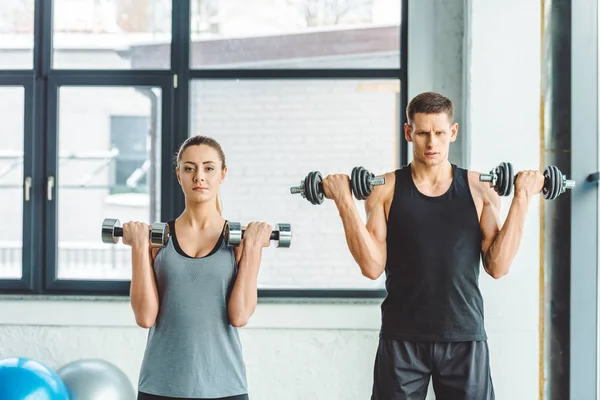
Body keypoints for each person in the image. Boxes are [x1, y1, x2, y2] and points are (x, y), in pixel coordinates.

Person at [321, 91, 544, 400]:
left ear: (452, 132)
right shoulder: (384, 190)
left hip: (464, 335)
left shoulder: (480, 188)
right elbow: (372, 267)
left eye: (439, 133)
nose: (431, 143)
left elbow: (498, 266)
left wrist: (521, 198)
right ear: (408, 132)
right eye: (423, 133)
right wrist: (345, 201)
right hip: (402, 338)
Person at [121, 135, 273, 400]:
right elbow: (145, 318)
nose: (199, 176)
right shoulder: (157, 240)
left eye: (209, 168)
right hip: (160, 387)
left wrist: (252, 248)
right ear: (178, 175)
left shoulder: (240, 242)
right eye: (189, 168)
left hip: (226, 388)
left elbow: (239, 316)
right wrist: (138, 247)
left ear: (223, 174)